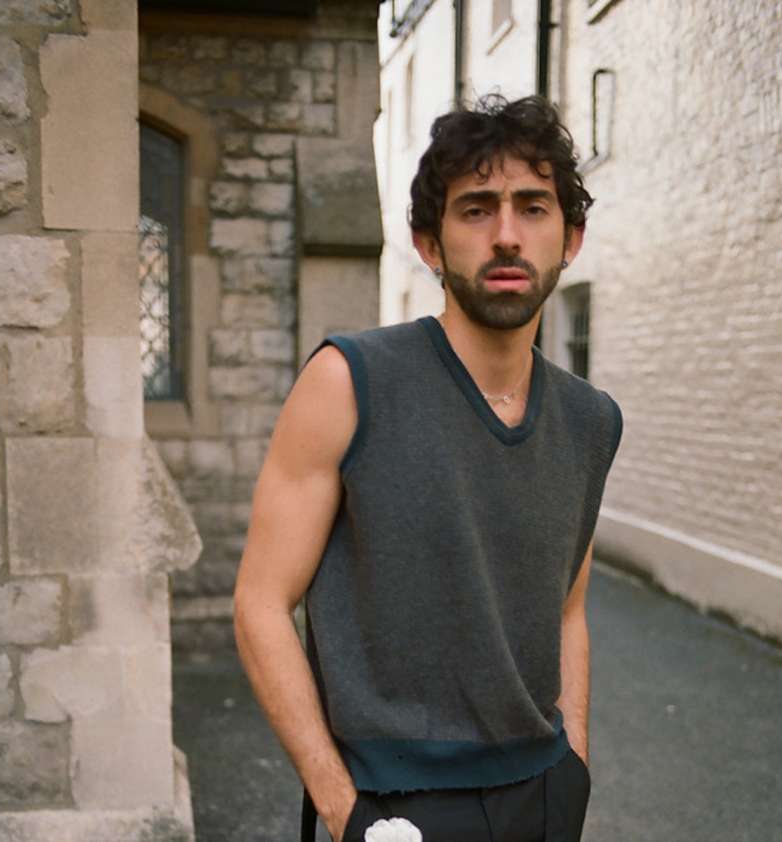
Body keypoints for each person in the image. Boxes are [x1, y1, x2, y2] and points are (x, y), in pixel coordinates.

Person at [233, 94, 623, 842]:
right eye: (476, 209)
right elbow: (260, 602)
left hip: (541, 793)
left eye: (533, 208)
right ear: (429, 242)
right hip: (392, 803)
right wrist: (344, 811)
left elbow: (566, 610)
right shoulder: (350, 381)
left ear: (570, 238)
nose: (506, 235)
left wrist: (573, 761)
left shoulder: (590, 420)